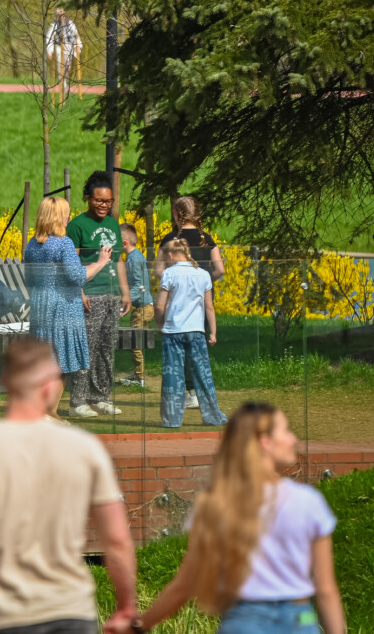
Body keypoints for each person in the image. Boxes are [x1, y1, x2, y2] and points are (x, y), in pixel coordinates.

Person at [0, 338, 138, 634]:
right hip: (69, 610)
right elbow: (117, 539)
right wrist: (127, 607)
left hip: (2, 613)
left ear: (5, 381)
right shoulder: (85, 449)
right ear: (50, 386)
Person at [132, 403, 345, 634]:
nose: (293, 439)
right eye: (286, 431)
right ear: (265, 442)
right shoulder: (308, 501)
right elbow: (326, 590)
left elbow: (183, 587)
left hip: (243, 621)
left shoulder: (217, 505)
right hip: (300, 619)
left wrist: (139, 625)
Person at [23, 195, 112, 416]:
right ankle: (50, 413)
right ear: (57, 217)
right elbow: (77, 276)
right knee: (61, 360)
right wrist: (100, 262)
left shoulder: (32, 245)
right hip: (63, 305)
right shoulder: (64, 244)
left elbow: (29, 279)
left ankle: (41, 411)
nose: (68, 219)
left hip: (41, 304)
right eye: (66, 214)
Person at [154, 196, 224, 411]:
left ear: (176, 214)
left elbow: (158, 270)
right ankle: (197, 391)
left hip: (176, 300)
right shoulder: (207, 239)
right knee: (197, 346)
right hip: (200, 299)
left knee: (178, 347)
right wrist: (202, 282)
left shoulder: (170, 239)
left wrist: (175, 281)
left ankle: (188, 391)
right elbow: (220, 270)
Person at [67, 171, 128, 416]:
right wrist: (79, 291)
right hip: (90, 295)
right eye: (99, 200)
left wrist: (125, 292)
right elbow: (72, 263)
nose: (104, 205)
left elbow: (118, 260)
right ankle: (78, 401)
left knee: (106, 349)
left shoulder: (113, 224)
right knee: (87, 348)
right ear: (88, 198)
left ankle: (100, 396)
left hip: (111, 294)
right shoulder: (77, 225)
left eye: (108, 201)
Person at [119, 223, 153, 388]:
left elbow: (138, 286)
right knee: (136, 342)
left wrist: (124, 302)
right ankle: (138, 374)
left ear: (124, 243)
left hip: (142, 308)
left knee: (134, 342)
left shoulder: (133, 258)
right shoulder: (138, 256)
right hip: (145, 307)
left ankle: (139, 378)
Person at [45, 7, 83, 101]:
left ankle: (63, 82)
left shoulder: (71, 24)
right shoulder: (54, 26)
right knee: (60, 65)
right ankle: (63, 85)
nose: (61, 17)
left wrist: (78, 46)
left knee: (67, 67)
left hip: (69, 47)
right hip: (59, 48)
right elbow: (49, 38)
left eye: (62, 15)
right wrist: (50, 51)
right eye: (59, 15)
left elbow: (76, 36)